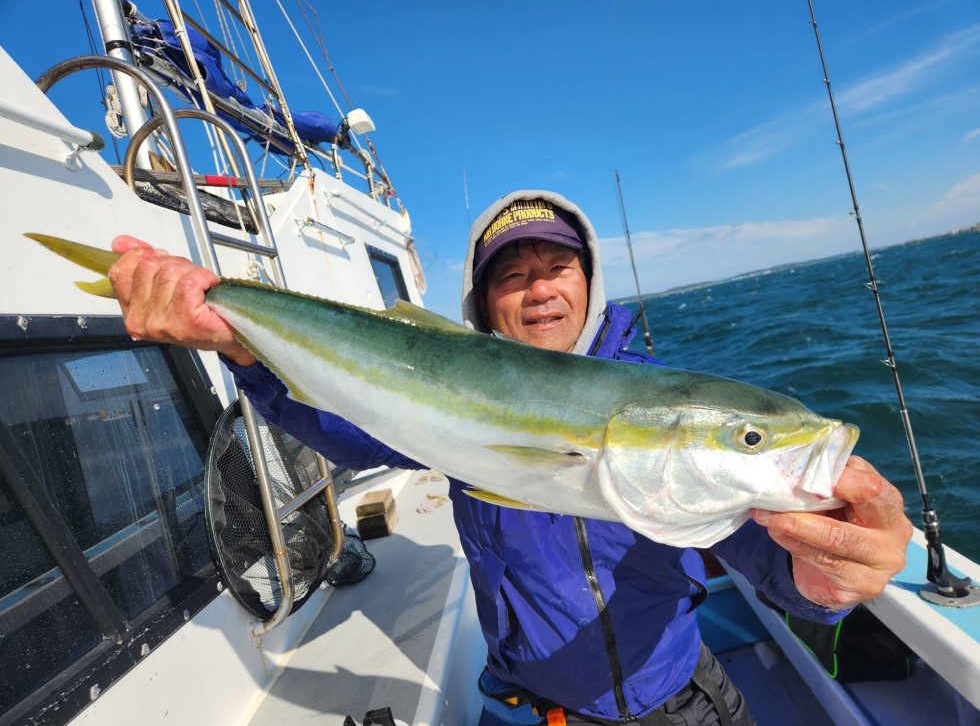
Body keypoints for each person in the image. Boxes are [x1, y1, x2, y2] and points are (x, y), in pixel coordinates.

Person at [107, 190, 912, 725]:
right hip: (537, 710)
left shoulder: (658, 404)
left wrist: (826, 575)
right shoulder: (447, 408)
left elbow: (760, 547)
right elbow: (345, 423)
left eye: (557, 266)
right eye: (513, 276)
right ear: (484, 303)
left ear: (587, 282)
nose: (539, 290)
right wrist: (243, 351)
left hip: (683, 705)